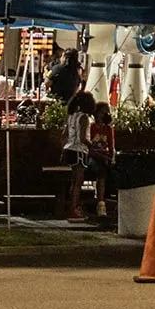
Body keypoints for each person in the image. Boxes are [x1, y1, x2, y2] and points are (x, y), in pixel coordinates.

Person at [61, 90, 103, 220]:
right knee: (78, 182)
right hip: (79, 151)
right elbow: (83, 138)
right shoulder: (84, 117)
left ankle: (71, 207)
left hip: (69, 149)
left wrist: (64, 148)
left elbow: (64, 134)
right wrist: (93, 145)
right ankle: (74, 208)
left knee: (73, 181)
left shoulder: (71, 116)